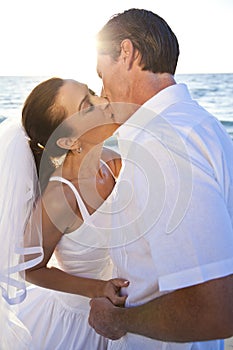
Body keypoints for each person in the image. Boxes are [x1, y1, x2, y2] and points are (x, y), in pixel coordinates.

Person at [88, 8, 233, 350]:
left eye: (101, 73)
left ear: (126, 53)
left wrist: (117, 320)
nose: (102, 89)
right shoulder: (200, 125)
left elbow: (216, 309)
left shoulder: (164, 143)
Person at [1, 77, 129, 350]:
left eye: (92, 93)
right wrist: (99, 288)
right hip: (76, 325)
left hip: (123, 316)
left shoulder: (112, 161)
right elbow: (29, 268)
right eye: (87, 105)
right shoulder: (61, 197)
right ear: (70, 140)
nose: (102, 101)